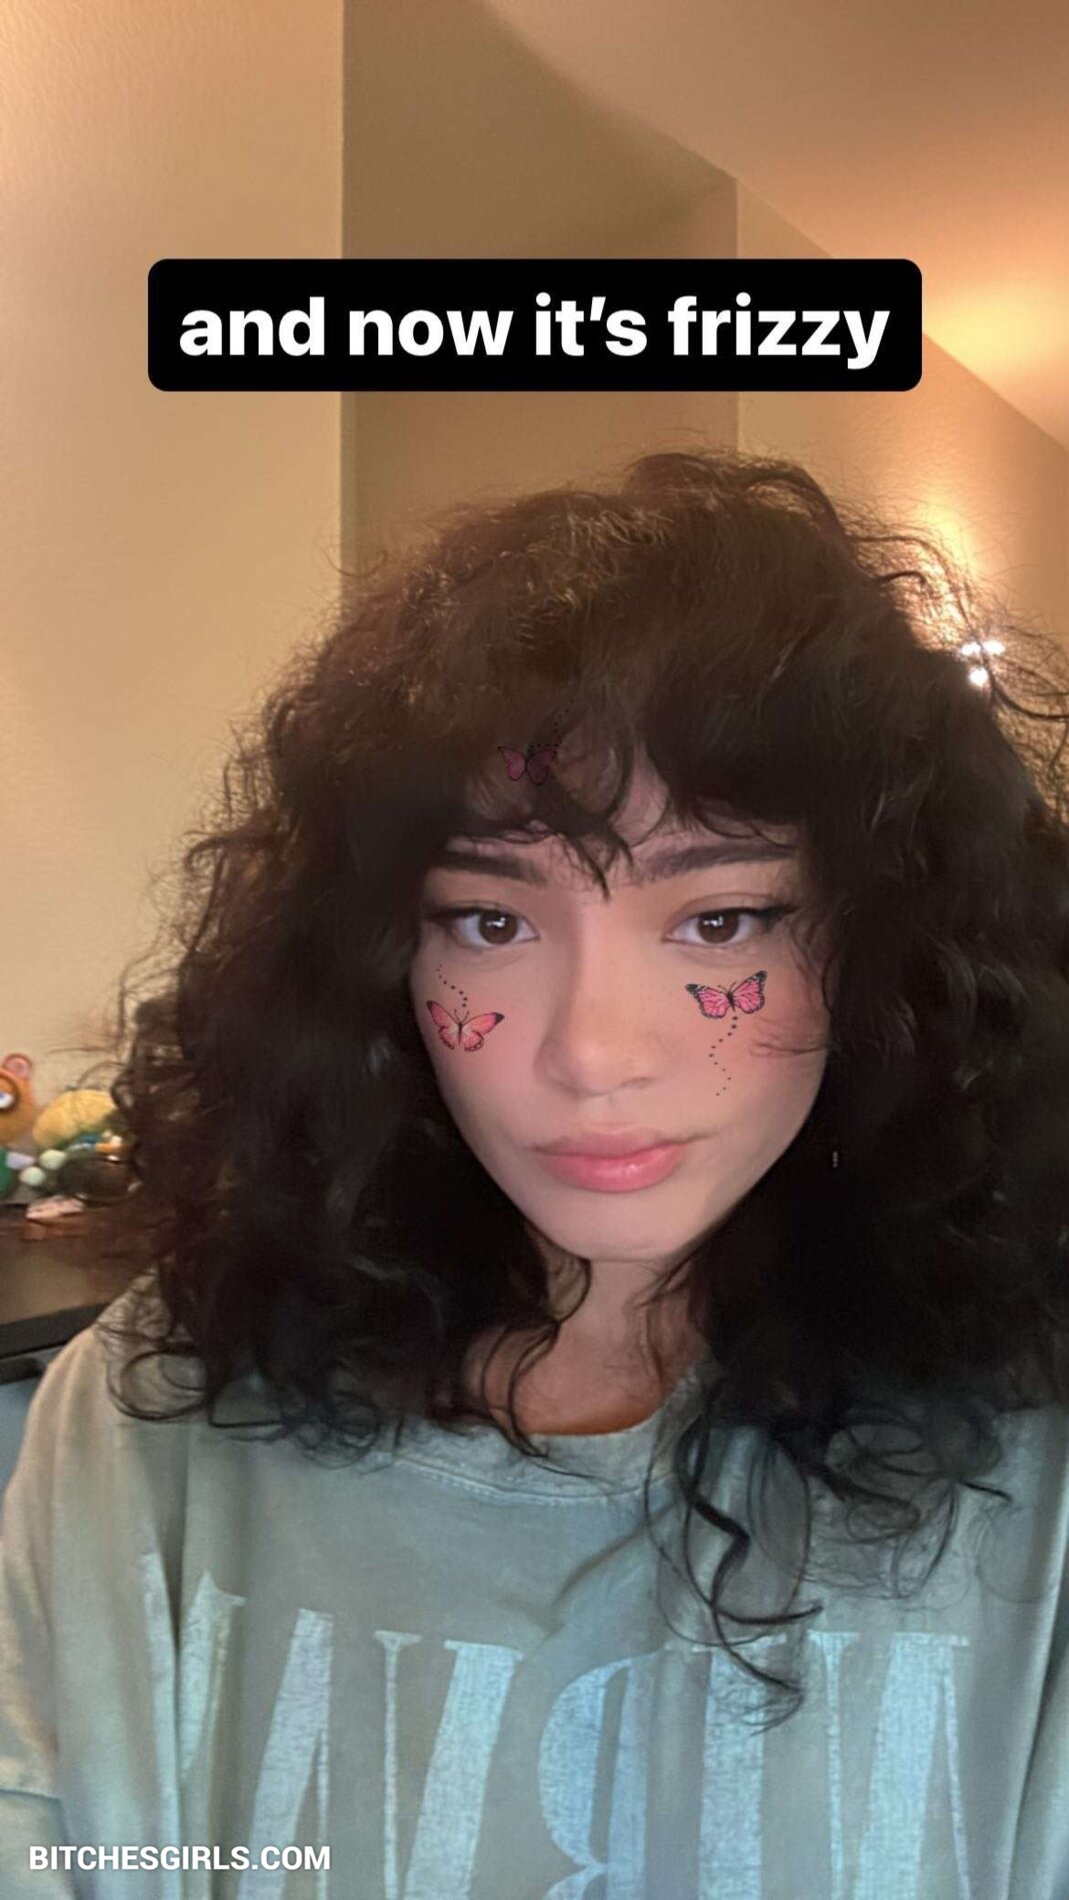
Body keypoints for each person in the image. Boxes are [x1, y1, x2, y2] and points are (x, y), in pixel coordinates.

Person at [3, 447, 1069, 1899]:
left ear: (887, 944)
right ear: (380, 956)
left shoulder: (1031, 1454)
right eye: (490, 924)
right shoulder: (160, 1412)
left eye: (723, 921)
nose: (592, 1054)